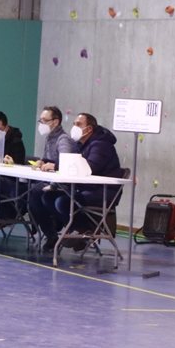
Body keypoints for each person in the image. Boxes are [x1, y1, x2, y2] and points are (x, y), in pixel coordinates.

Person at [53, 112, 124, 250]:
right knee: (47, 197)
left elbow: (90, 168)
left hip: (102, 192)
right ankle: (76, 230)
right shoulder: (79, 144)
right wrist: (48, 163)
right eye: (74, 124)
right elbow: (70, 162)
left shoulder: (102, 145)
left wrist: (57, 166)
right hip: (85, 188)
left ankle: (84, 230)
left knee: (62, 202)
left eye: (78, 124)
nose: (74, 127)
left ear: (89, 128)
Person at [27, 106, 74, 250]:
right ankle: (43, 226)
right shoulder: (49, 137)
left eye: (44, 120)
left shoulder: (63, 139)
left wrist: (53, 165)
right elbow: (49, 158)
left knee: (35, 195)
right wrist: (42, 162)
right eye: (40, 120)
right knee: (27, 191)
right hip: (48, 180)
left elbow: (66, 162)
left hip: (60, 184)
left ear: (55, 122)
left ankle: (51, 231)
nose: (41, 123)